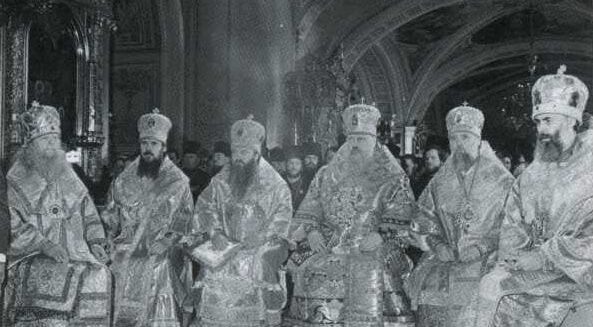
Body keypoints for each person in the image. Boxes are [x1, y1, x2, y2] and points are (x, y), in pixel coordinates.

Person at [470, 65, 593, 327]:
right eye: (538, 122)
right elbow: (513, 226)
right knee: (491, 284)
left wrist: (545, 258)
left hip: (579, 274)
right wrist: (514, 257)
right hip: (535, 268)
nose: (541, 130)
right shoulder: (530, 175)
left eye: (548, 121)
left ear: (572, 120)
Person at [285, 103, 416, 327]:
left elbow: (404, 215)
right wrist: (312, 230)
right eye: (352, 139)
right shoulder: (326, 174)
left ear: (374, 141)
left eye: (362, 139)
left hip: (372, 245)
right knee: (308, 268)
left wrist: (382, 236)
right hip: (329, 243)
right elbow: (310, 208)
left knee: (377, 272)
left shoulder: (393, 177)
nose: (355, 145)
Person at [406, 104, 514, 327]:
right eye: (454, 139)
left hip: (488, 258)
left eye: (465, 137)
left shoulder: (502, 181)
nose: (460, 144)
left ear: (477, 138)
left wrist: (481, 248)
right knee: (428, 288)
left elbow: (513, 225)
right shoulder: (439, 182)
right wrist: (437, 245)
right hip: (446, 258)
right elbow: (422, 220)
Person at [3, 102, 111, 326]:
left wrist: (96, 241)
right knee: (65, 275)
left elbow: (87, 210)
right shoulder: (16, 177)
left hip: (75, 251)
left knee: (100, 274)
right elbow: (11, 225)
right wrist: (45, 245)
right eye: (45, 140)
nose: (52, 145)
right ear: (30, 144)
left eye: (55, 138)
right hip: (31, 255)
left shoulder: (66, 171)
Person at [190, 116, 292, 327]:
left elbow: (283, 216)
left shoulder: (275, 184)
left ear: (257, 153)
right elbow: (205, 206)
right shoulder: (221, 180)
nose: (238, 158)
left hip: (261, 245)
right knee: (208, 266)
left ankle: (263, 320)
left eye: (244, 152)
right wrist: (215, 233)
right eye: (235, 152)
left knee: (260, 264)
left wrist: (263, 238)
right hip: (225, 244)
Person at [103, 109, 195, 327]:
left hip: (162, 247)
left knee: (159, 267)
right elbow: (110, 213)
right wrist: (107, 239)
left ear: (163, 147)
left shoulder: (178, 181)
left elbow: (185, 218)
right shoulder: (123, 179)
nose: (148, 149)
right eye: (144, 143)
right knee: (115, 265)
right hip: (125, 246)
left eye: (154, 144)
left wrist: (168, 240)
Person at [283, 145, 307, 212]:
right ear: (286, 165)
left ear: (302, 166)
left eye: (297, 163)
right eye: (291, 163)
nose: (294, 167)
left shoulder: (307, 184)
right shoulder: (280, 182)